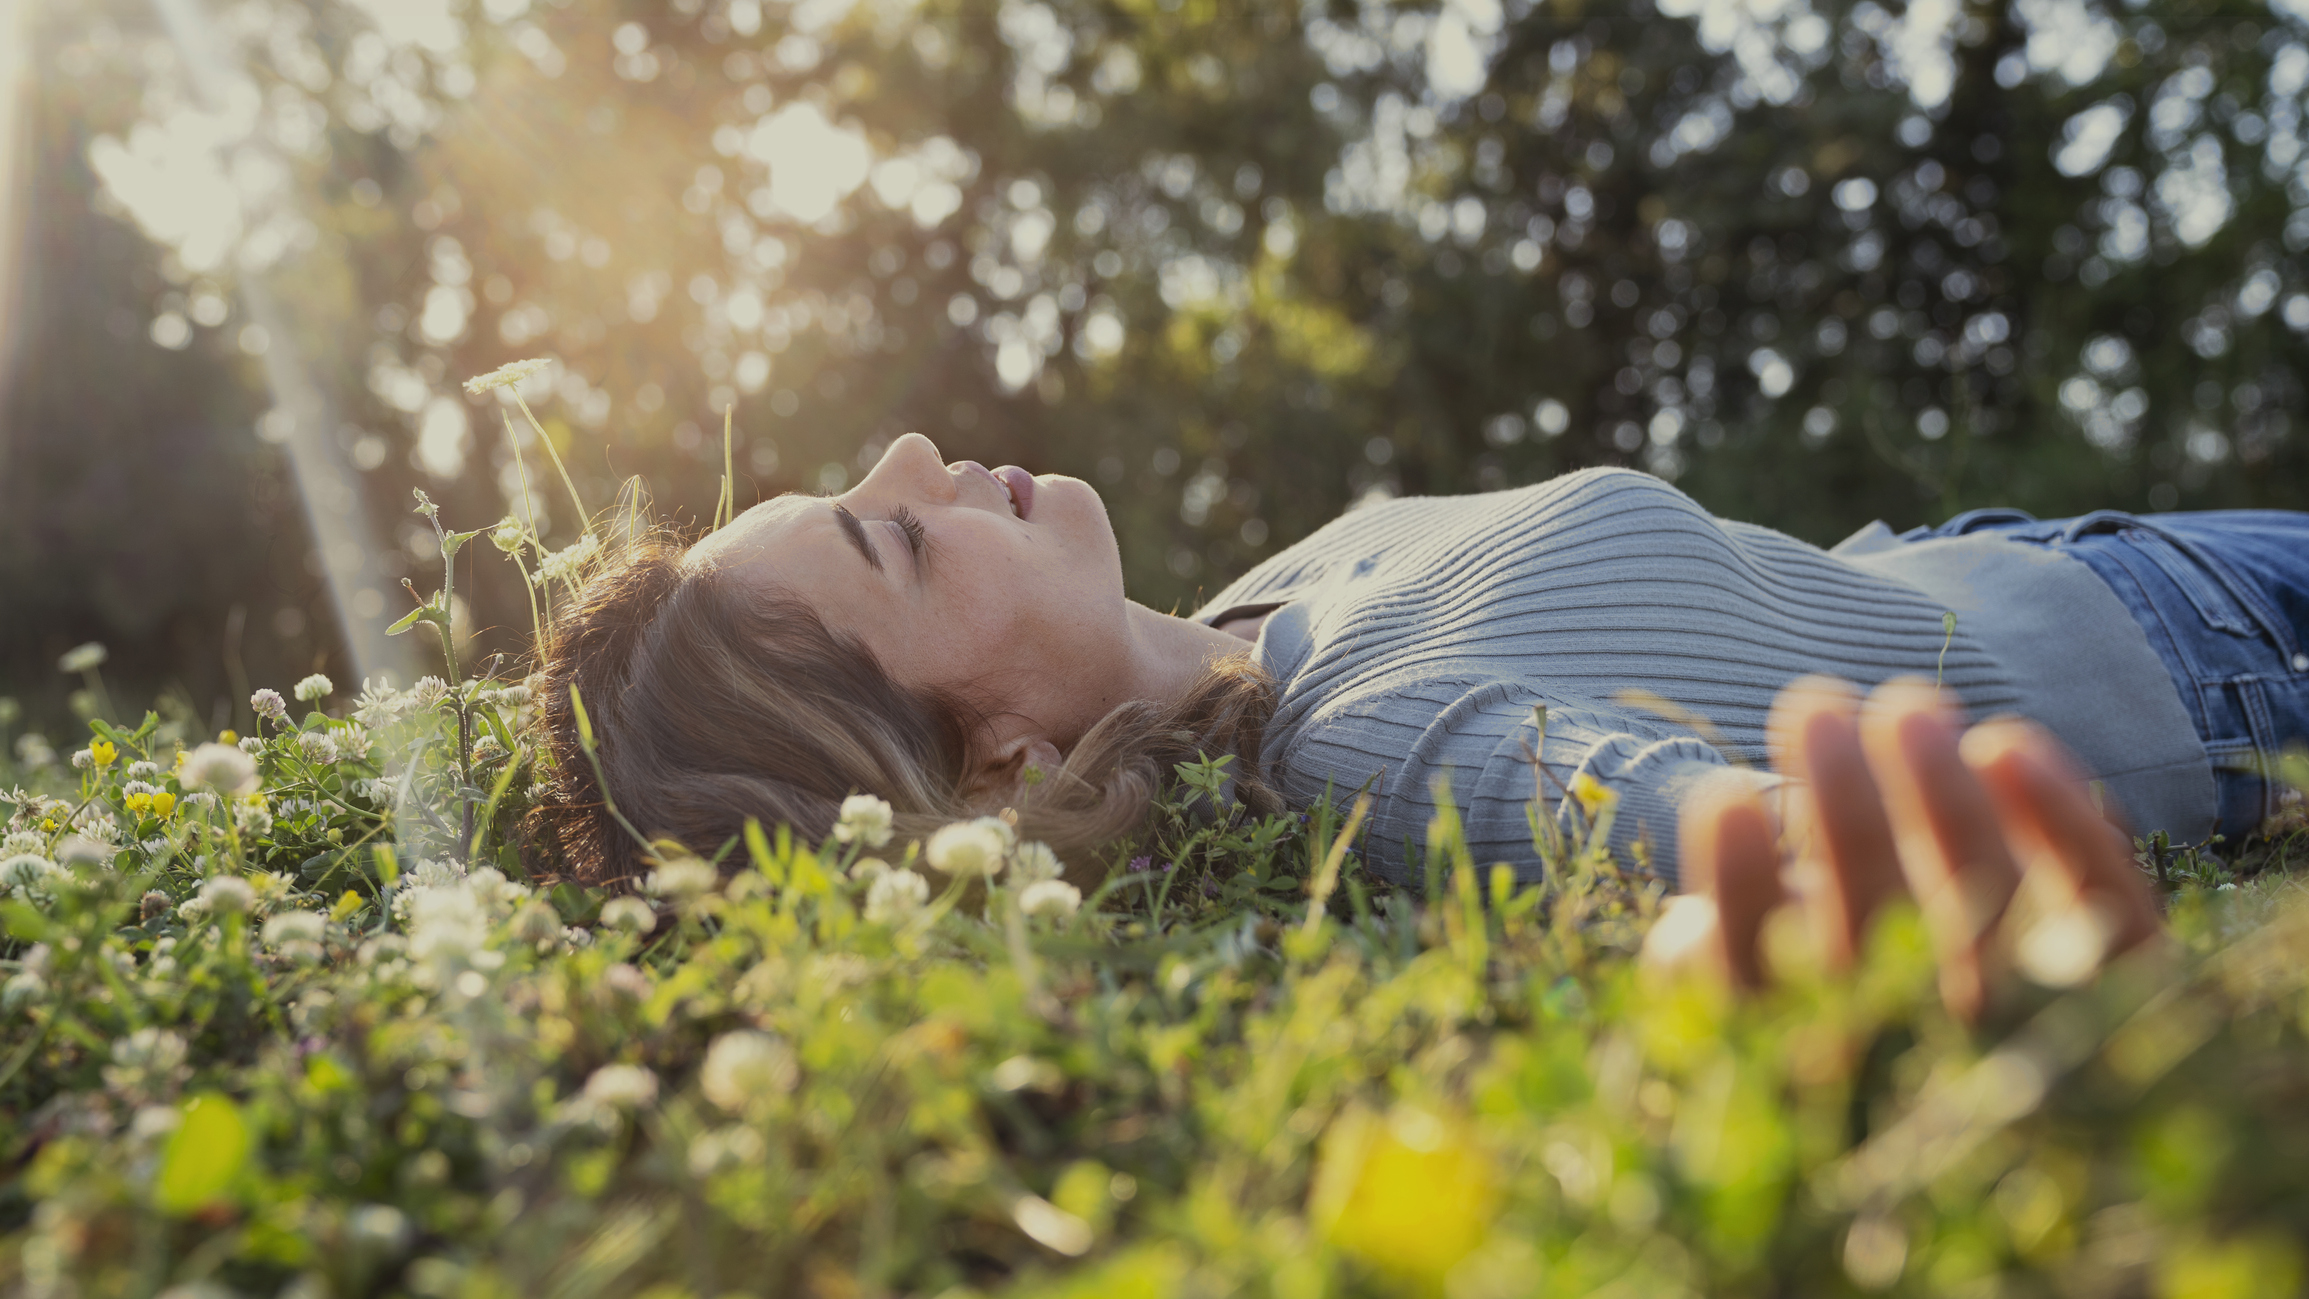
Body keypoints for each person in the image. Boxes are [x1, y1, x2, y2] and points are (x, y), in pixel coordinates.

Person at [527, 433, 2304, 999]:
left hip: (2021, 557)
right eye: (889, 534)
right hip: (2209, 651)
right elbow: (1667, 818)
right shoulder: (1352, 741)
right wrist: (1818, 873)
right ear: (994, 761)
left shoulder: (1249, 628)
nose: (914, 453)